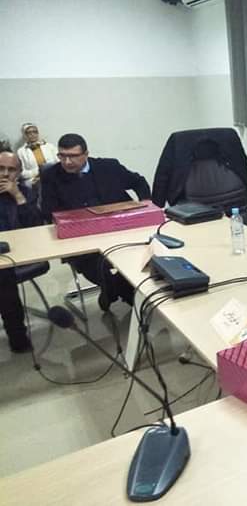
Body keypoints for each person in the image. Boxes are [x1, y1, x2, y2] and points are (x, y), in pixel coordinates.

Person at [41, 133, 151, 309]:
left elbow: (139, 182)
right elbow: (48, 211)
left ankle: (114, 291)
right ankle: (120, 291)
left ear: (86, 154)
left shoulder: (109, 167)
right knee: (96, 268)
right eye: (62, 156)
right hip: (82, 237)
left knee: (139, 259)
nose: (67, 162)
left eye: (73, 156)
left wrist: (145, 208)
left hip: (120, 229)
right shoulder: (51, 176)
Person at [0, 151, 42, 352]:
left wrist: (17, 196)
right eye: (0, 169)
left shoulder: (25, 192)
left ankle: (17, 335)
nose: (5, 174)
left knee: (4, 277)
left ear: (19, 172)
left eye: (11, 170)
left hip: (17, 254)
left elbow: (35, 228)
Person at [16, 123, 57, 188]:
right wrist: (38, 172)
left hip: (53, 174)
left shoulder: (49, 146)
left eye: (35, 132)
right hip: (34, 179)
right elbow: (22, 173)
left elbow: (59, 162)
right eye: (29, 132)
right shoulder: (21, 151)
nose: (32, 134)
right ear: (24, 135)